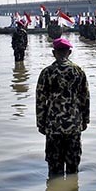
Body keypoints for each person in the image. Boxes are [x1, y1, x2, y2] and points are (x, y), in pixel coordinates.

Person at [36, 38, 90, 177]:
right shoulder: (78, 71)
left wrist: (41, 124)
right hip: (73, 124)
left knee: (54, 169)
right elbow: (85, 98)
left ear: (54, 53)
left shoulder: (46, 73)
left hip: (53, 125)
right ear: (69, 52)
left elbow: (40, 101)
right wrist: (85, 121)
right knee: (73, 168)